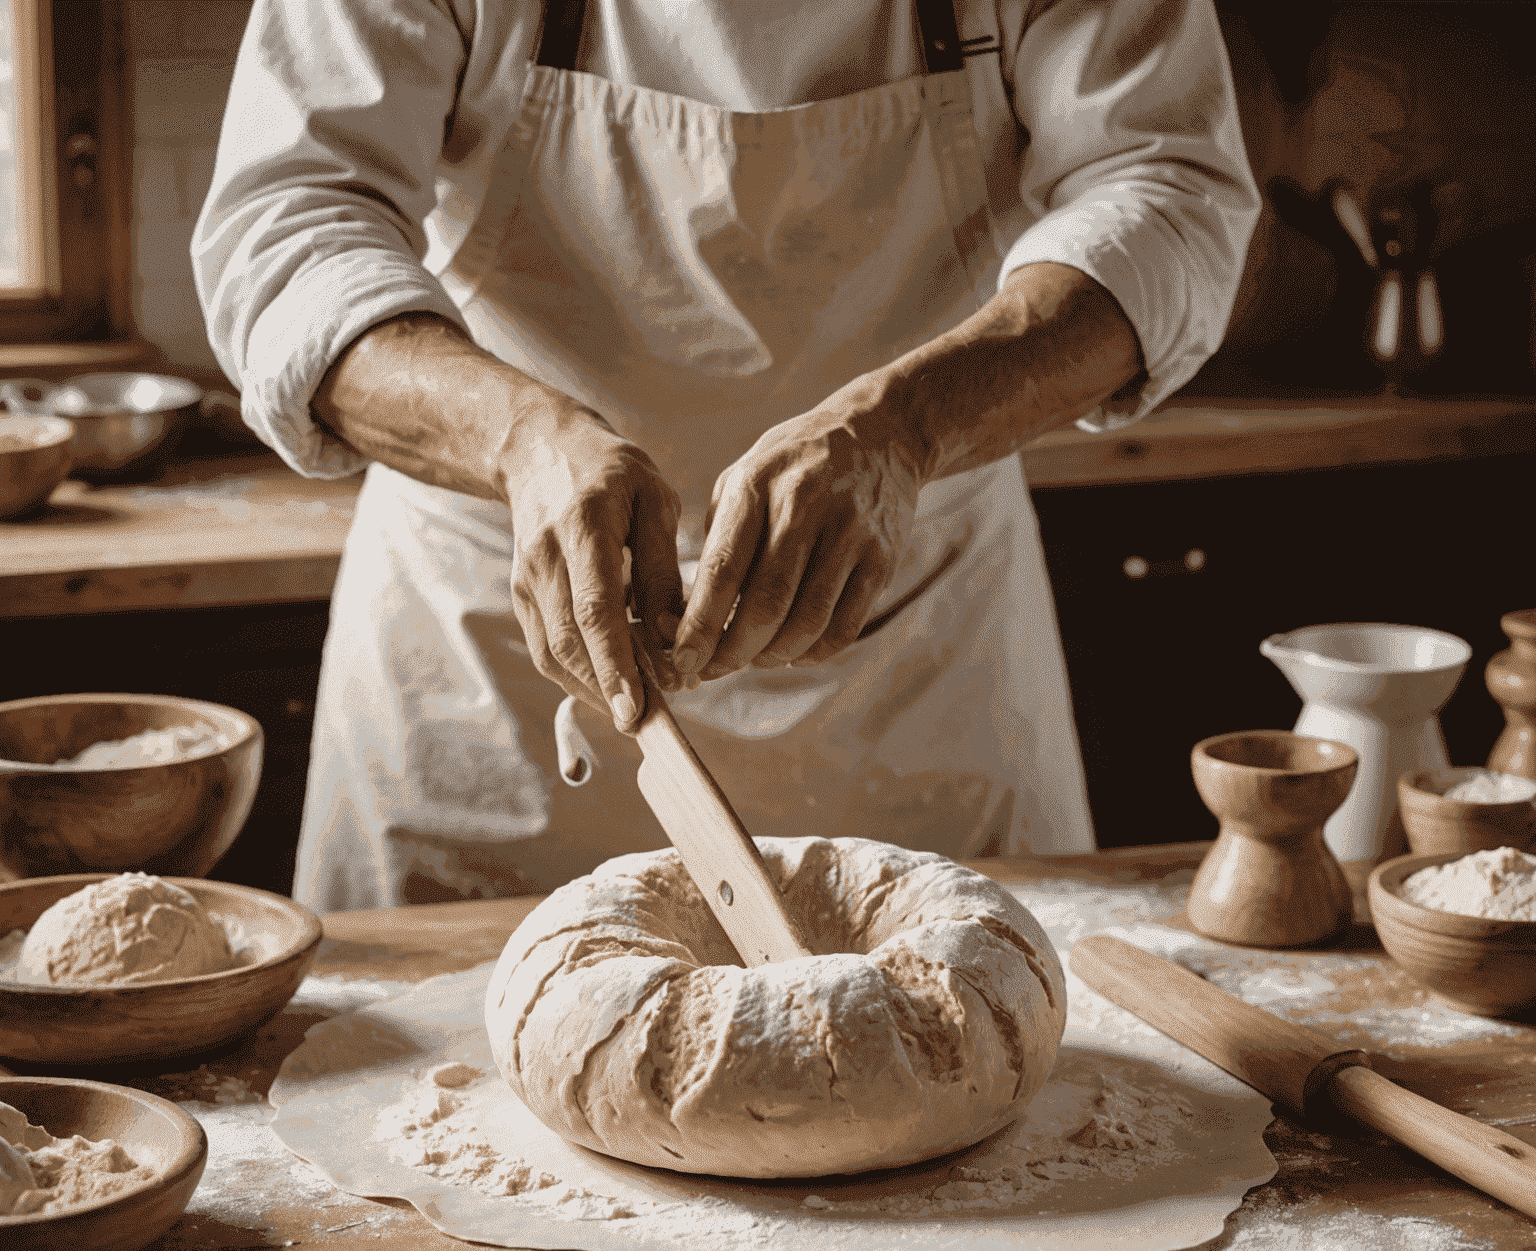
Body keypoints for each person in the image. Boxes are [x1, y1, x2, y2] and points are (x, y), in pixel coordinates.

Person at [195, 0, 1259, 912]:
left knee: (961, 1088)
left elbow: (1168, 195)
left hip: (914, 648)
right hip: (492, 655)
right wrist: (518, 440)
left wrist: (905, 427)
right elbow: (287, 227)